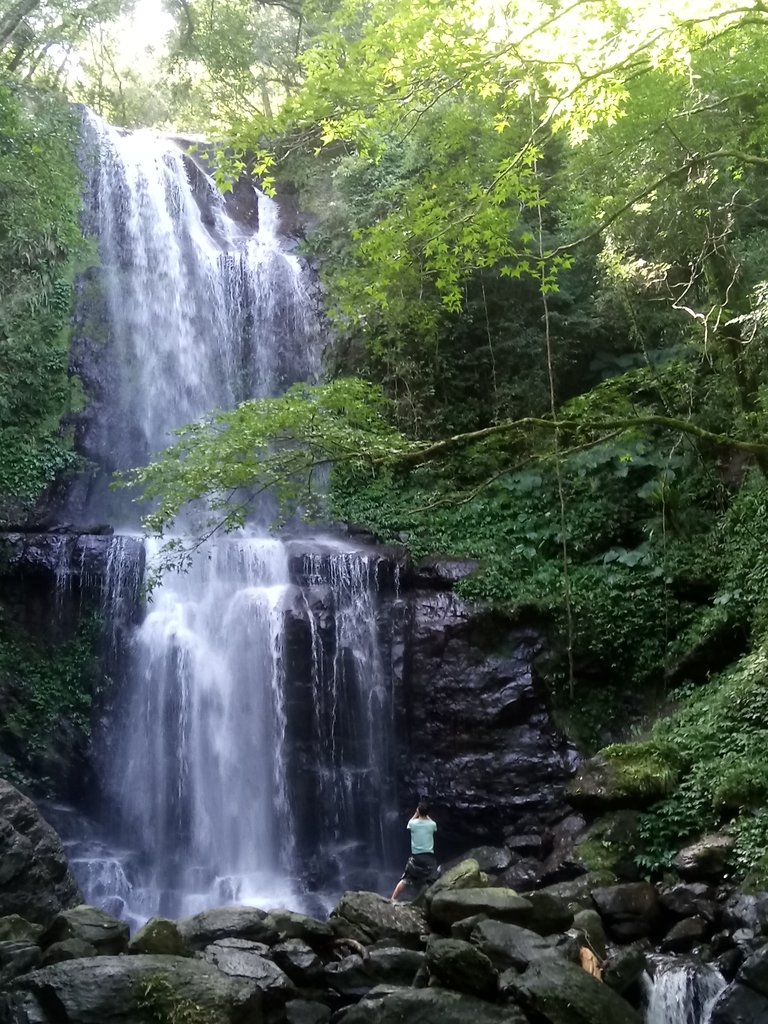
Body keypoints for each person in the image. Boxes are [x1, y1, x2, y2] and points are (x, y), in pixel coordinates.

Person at [390, 802, 437, 901]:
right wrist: (425, 814)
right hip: (429, 858)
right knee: (432, 879)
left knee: (406, 879)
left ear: (418, 811)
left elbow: (410, 822)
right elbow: (431, 822)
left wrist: (416, 814)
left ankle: (393, 898)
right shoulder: (432, 824)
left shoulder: (412, 823)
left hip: (416, 857)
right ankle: (431, 900)